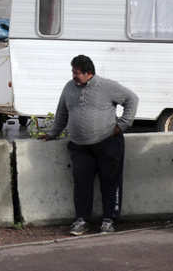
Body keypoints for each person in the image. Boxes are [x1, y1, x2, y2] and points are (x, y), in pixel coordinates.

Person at [42, 55, 138, 236]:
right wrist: (53, 133)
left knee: (110, 183)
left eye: (77, 73)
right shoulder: (69, 87)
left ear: (89, 73)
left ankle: (109, 220)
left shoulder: (107, 86)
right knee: (81, 184)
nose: (73, 76)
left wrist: (123, 125)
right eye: (72, 71)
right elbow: (62, 112)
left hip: (108, 143)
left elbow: (132, 99)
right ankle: (81, 220)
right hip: (80, 146)